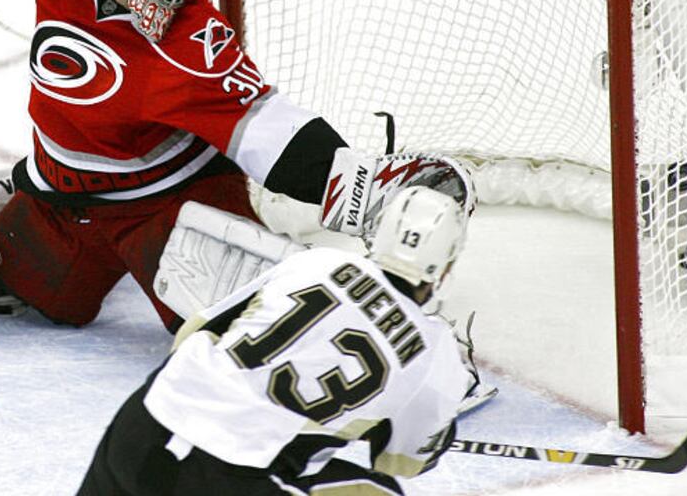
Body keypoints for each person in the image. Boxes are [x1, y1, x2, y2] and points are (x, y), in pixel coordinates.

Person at [0, 0, 473, 332]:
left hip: (171, 200)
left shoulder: (189, 42)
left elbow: (264, 124)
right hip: (67, 197)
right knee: (38, 300)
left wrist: (358, 186)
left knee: (247, 332)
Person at [77, 186, 478, 495]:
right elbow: (401, 462)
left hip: (142, 425)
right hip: (234, 478)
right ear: (443, 267)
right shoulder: (436, 351)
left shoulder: (318, 261)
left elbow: (191, 334)